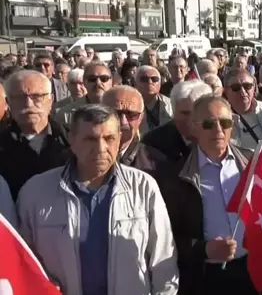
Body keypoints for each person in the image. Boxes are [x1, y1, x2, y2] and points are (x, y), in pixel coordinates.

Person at [17, 104, 179, 295]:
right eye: (90, 139)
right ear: (72, 140)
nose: (100, 148)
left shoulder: (143, 186)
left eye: (109, 138)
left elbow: (163, 260)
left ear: (119, 139)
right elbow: (22, 261)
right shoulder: (36, 192)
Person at [159, 94, 262, 295]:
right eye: (208, 123)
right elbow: (168, 238)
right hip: (207, 277)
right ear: (194, 127)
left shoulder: (251, 161)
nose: (218, 130)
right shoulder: (176, 176)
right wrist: (204, 249)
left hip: (252, 268)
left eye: (224, 122)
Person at [0, 70, 70, 200]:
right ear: (8, 102)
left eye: (37, 97)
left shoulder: (72, 140)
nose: (28, 104)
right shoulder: (3, 144)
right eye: (19, 98)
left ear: (51, 101)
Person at [101, 86, 169, 176]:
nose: (123, 121)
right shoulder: (81, 156)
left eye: (131, 114)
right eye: (115, 113)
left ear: (141, 118)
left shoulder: (157, 165)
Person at [142, 80, 213, 164]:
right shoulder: (152, 144)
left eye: (197, 113)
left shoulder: (222, 135)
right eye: (185, 113)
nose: (192, 119)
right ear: (174, 112)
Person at [135, 66, 173, 134]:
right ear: (135, 83)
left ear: (160, 83)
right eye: (144, 79)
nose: (150, 82)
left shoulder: (172, 105)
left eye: (154, 79)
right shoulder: (130, 107)